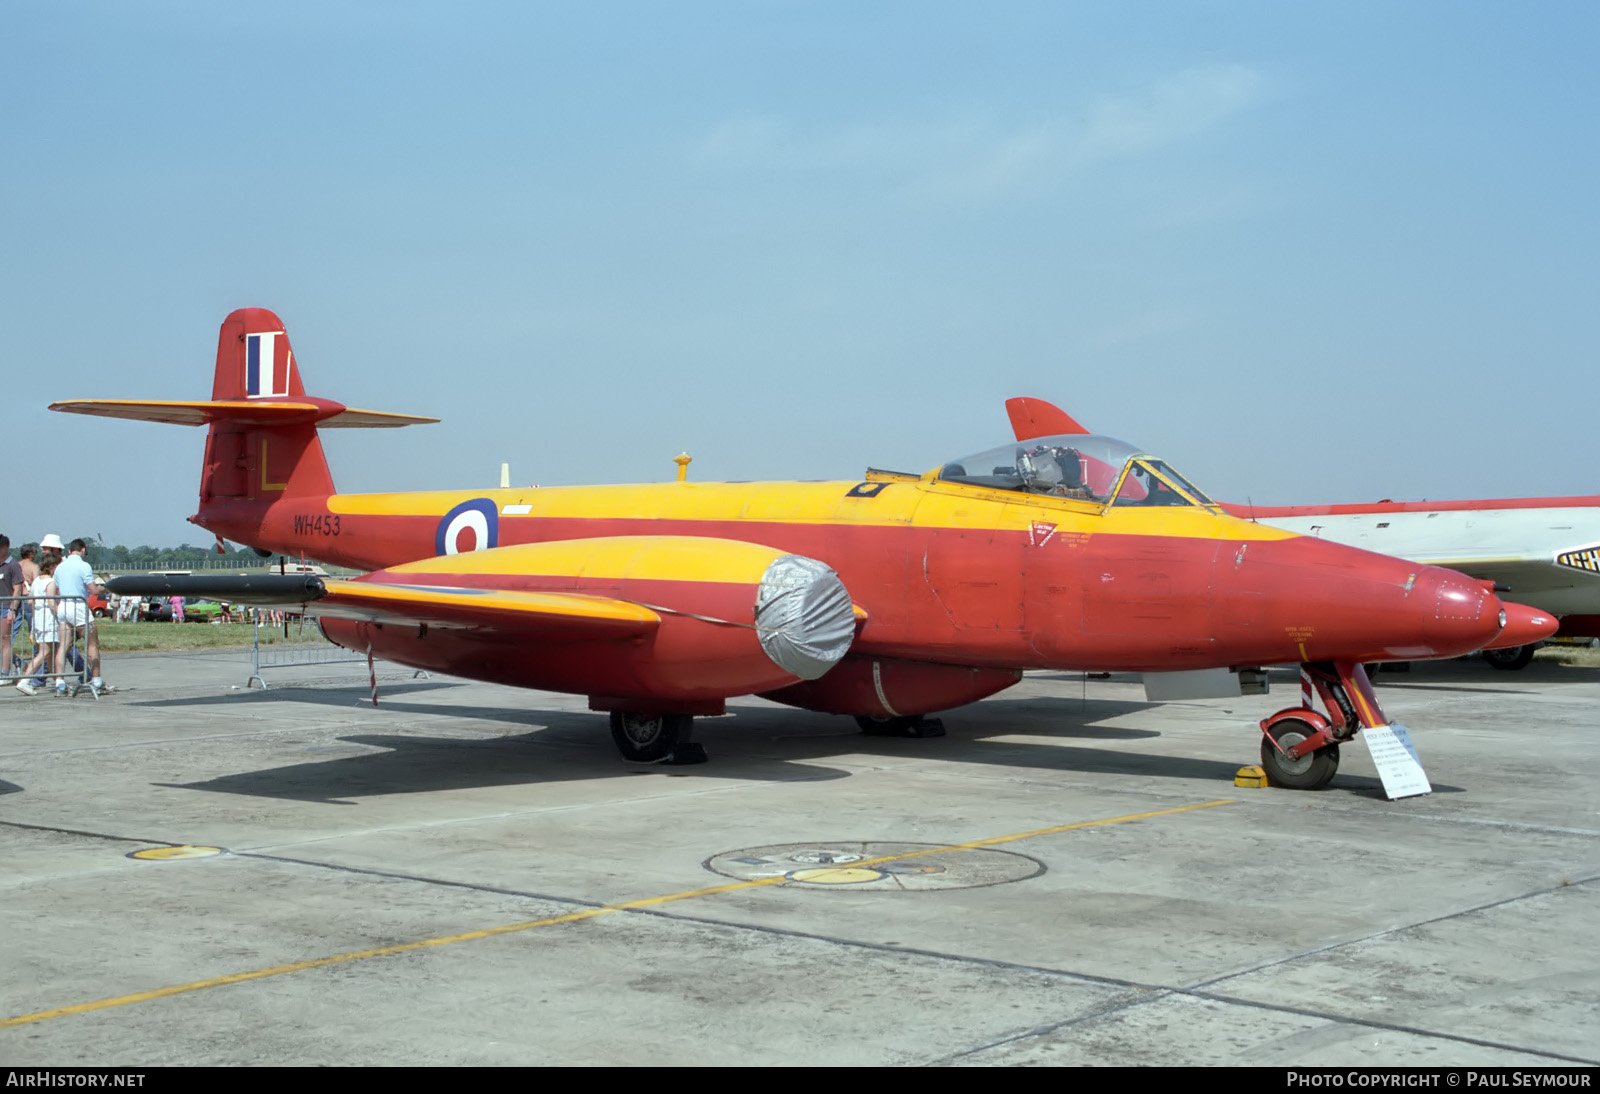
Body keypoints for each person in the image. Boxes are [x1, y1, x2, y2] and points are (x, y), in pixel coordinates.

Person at [53, 538, 111, 697]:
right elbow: (93, 590)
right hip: (78, 605)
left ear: (69, 550)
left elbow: (56, 589)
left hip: (64, 605)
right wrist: (106, 589)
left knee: (63, 645)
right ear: (83, 550)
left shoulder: (60, 567)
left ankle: (59, 682)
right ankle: (97, 680)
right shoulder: (84, 566)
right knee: (92, 643)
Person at [15, 556, 60, 696]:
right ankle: (25, 680)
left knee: (50, 652)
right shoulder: (50, 582)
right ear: (52, 567)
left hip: (39, 618)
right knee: (45, 652)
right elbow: (52, 603)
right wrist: (61, 615)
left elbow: (30, 601)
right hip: (48, 619)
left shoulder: (36, 581)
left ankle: (59, 681)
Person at [0, 535, 22, 679]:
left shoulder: (13, 565)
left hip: (6, 606)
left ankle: (5, 672)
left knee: (4, 639)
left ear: (6, 547)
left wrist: (12, 609)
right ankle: (15, 660)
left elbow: (17, 589)